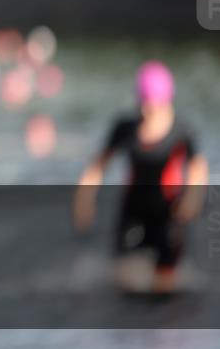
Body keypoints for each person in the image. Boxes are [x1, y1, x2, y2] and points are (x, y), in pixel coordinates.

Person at [74, 61, 208, 293]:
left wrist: (193, 197)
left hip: (168, 213)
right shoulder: (126, 129)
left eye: (154, 105)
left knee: (165, 285)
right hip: (134, 209)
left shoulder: (182, 131)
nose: (148, 111)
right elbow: (98, 165)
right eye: (144, 103)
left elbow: (197, 166)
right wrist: (84, 199)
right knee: (123, 280)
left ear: (166, 100)